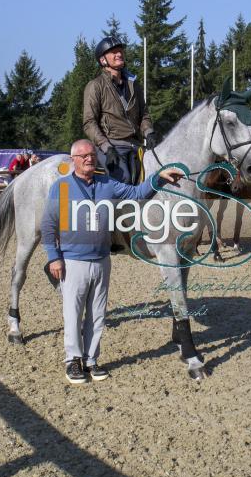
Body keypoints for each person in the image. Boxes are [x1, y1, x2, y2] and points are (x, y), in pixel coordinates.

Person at [41, 139, 182, 384]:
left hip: (102, 260)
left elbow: (138, 193)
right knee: (73, 313)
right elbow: (48, 224)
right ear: (73, 159)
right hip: (73, 261)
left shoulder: (107, 184)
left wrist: (159, 177)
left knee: (97, 314)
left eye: (92, 155)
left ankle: (92, 360)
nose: (89, 158)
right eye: (83, 155)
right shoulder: (60, 187)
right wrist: (54, 258)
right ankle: (73, 361)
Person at [82, 32, 157, 183]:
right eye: (114, 52)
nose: (119, 54)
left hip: (136, 146)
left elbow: (144, 114)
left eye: (120, 51)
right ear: (103, 60)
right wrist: (106, 147)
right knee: (124, 179)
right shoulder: (95, 86)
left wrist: (149, 132)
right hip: (112, 146)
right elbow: (89, 122)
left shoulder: (134, 84)